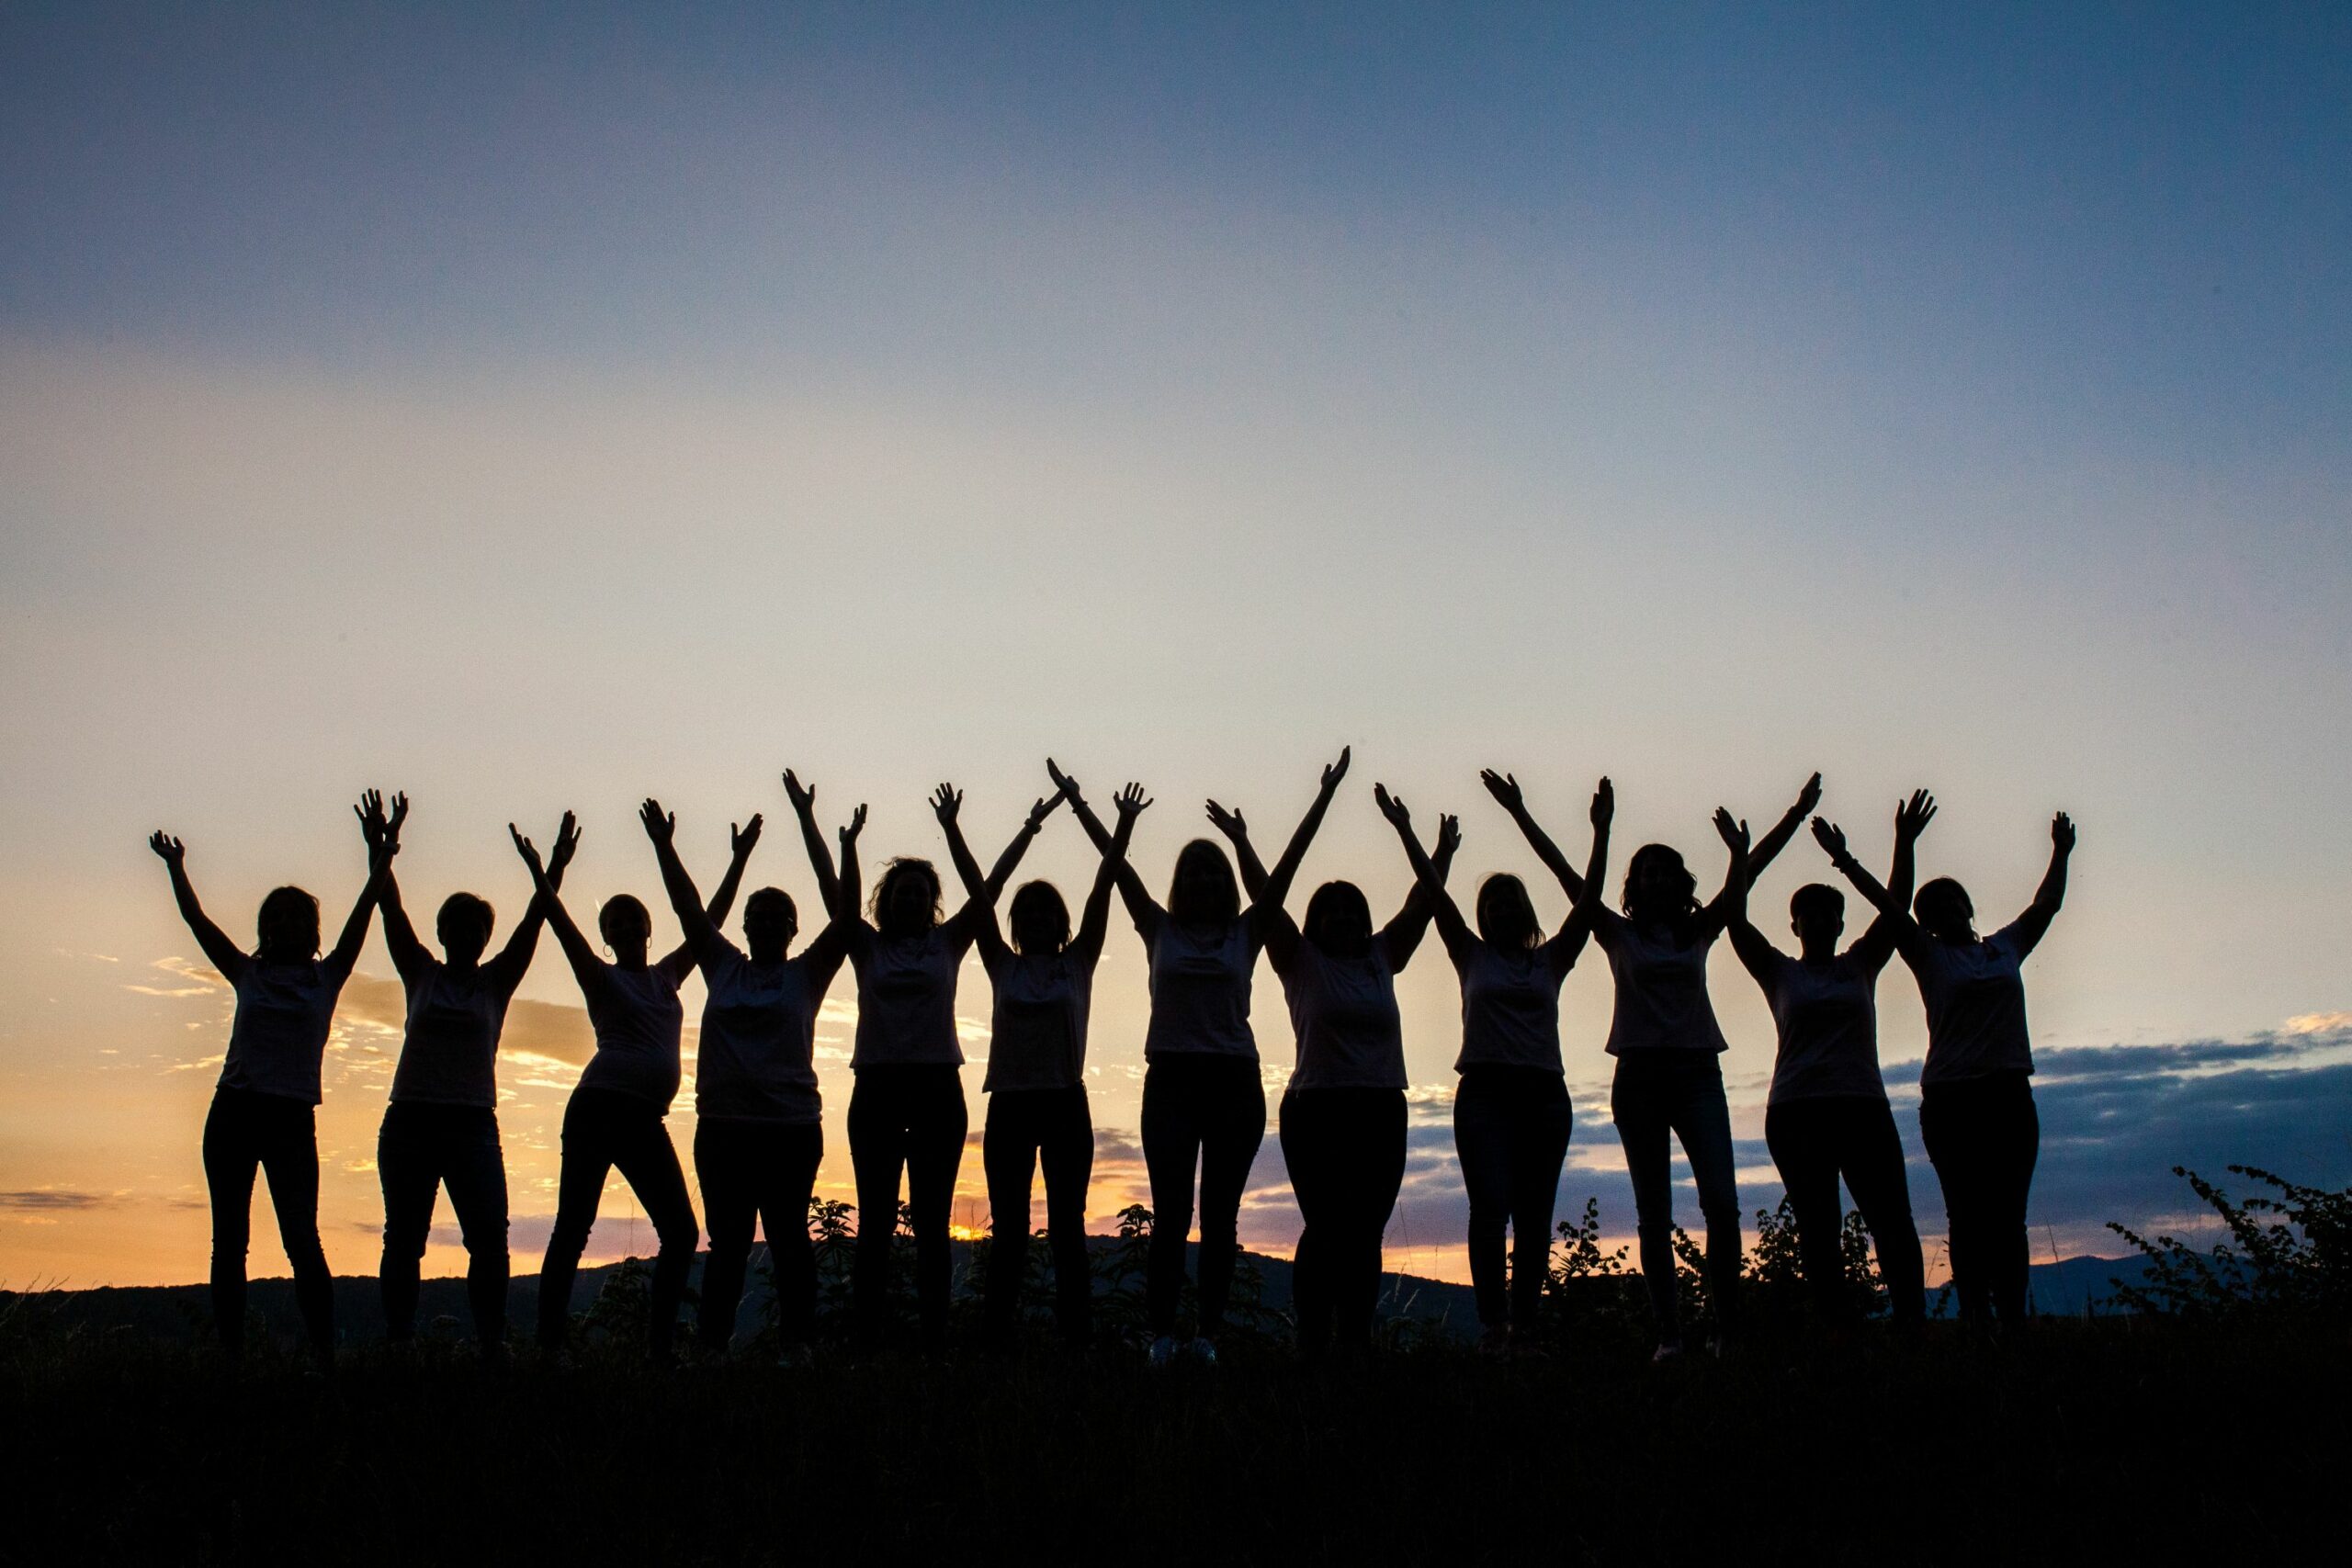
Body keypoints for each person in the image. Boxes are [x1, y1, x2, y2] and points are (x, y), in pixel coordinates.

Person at [1050, 749, 1350, 1367]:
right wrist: (1086, 807)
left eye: (1217, 873)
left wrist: (1320, 797)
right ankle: (1162, 1336)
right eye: (1197, 872)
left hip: (1235, 1081)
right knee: (1171, 1214)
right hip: (1171, 1081)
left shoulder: (1248, 929)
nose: (1208, 881)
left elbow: (1285, 870)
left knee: (1220, 1217)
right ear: (1180, 883)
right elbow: (1117, 868)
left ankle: (1207, 1337)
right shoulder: (1157, 926)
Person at [149, 790, 402, 1361]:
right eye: (273, 916)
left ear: (312, 929)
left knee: (302, 1241)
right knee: (229, 1243)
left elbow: (366, 911)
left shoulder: (328, 976)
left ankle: (323, 1360)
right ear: (263, 928)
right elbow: (196, 920)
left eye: (293, 916)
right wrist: (177, 868)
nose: (281, 923)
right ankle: (232, 1360)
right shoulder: (247, 971)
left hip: (290, 1121)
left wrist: (381, 853)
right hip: (234, 1113)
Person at [1589, 773, 1821, 1359]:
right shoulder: (1617, 935)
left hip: (1697, 1076)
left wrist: (1789, 817)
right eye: (1649, 871)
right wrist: (1601, 830)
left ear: (1682, 882)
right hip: (1639, 1078)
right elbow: (1577, 882)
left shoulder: (1699, 932)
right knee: (1653, 1214)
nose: (1660, 878)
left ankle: (1727, 1330)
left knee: (1722, 1202)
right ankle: (1669, 1337)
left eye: (1669, 869)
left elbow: (1749, 875)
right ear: (1635, 886)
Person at [1387, 773, 1612, 1354]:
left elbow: (1588, 901)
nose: (1503, 909)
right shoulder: (1469, 952)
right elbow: (1435, 894)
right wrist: (1410, 833)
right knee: (1490, 1210)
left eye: (1512, 900)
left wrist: (1598, 832)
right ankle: (1493, 1328)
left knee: (1534, 1217)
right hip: (1484, 1093)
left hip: (1543, 1096)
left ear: (1526, 910)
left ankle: (1526, 1328)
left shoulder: (1553, 959)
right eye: (1493, 902)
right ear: (1483, 914)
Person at [516, 811, 753, 1361]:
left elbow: (707, 917)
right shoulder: (601, 978)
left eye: (631, 921)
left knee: (679, 1231)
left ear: (648, 930)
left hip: (646, 1118)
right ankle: (548, 1347)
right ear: (606, 939)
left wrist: (734, 858)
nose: (622, 929)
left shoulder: (668, 974)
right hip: (598, 1109)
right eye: (613, 925)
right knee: (573, 1227)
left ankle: (659, 1348)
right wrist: (548, 868)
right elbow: (558, 920)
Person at [1828, 807, 2076, 1324]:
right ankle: (1974, 1320)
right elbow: (1888, 904)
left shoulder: (2005, 947)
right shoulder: (1925, 953)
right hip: (1951, 1102)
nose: (1944, 907)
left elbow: (2046, 905)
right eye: (1931, 905)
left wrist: (2061, 851)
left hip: (2009, 1096)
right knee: (1965, 1218)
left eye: (1951, 899)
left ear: (1968, 905)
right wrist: (1856, 859)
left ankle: (2011, 1322)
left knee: (2010, 1219)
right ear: (1925, 921)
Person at [838, 786, 1057, 1350]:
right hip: (878, 1089)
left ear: (932, 901)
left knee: (933, 1223)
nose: (910, 902)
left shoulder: (948, 942)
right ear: (886, 901)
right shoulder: (866, 947)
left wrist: (1024, 829)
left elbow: (991, 888)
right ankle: (867, 1343)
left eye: (919, 894)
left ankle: (934, 1343)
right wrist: (845, 847)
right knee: (876, 1224)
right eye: (901, 894)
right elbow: (837, 901)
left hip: (937, 1088)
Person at [1240, 783, 1454, 1358]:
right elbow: (1264, 897)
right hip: (1317, 1108)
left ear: (1364, 918)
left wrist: (1430, 846)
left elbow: (1423, 903)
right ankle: (1312, 1341)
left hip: (1382, 1107)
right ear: (1313, 920)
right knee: (1327, 1228)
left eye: (1350, 908)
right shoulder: (1298, 959)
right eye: (1328, 908)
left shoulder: (1384, 956)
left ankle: (1356, 1342)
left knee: (1366, 1234)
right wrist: (1244, 841)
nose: (1339, 916)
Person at [642, 775, 849, 1360]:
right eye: (756, 914)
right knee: (728, 1243)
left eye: (777, 915)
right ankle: (711, 1348)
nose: (764, 921)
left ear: (792, 928)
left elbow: (845, 913)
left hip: (790, 1129)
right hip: (725, 1129)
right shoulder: (722, 967)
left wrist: (809, 821)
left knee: (788, 1241)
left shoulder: (807, 973)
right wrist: (664, 846)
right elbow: (688, 909)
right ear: (744, 926)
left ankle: (798, 1346)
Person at [938, 778, 1145, 1348]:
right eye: (1024, 910)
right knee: (1009, 1232)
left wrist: (1120, 824)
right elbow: (981, 890)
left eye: (1044, 910)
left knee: (1068, 1230)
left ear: (1062, 921)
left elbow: (1105, 882)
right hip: (1008, 1104)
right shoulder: (1001, 964)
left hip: (1063, 1103)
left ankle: (1073, 1338)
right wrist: (956, 828)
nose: (1033, 916)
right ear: (1013, 923)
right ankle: (996, 1339)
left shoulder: (1079, 962)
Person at [372, 801, 580, 1355]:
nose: (468, 934)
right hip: (411, 1120)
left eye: (478, 927)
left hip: (471, 1126)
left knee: (490, 1240)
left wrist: (554, 866)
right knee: (404, 1239)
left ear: (487, 936)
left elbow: (537, 918)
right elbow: (390, 908)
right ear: (441, 932)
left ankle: (492, 1343)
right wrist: (382, 849)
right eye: (458, 926)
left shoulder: (497, 981)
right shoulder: (419, 971)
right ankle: (399, 1343)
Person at [1724, 792, 1936, 1328]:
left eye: (1828, 912)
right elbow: (1733, 913)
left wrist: (1901, 843)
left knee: (1892, 1221)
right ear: (1793, 925)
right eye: (1806, 913)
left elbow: (1896, 906)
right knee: (1820, 1228)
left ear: (1842, 924)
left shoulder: (1862, 962)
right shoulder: (1777, 971)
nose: (1818, 919)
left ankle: (1913, 1330)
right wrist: (1740, 857)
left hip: (1862, 1105)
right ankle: (1840, 1337)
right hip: (1796, 1112)